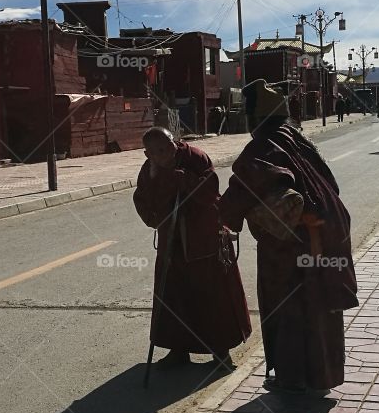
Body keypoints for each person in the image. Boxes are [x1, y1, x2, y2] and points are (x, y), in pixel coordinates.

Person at [220, 82, 358, 394]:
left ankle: (292, 379)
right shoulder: (298, 140)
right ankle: (323, 377)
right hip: (327, 232)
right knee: (320, 306)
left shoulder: (263, 145)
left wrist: (224, 213)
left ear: (256, 116)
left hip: (290, 245)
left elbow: (248, 184)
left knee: (289, 309)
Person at [134, 127, 251, 371]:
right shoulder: (150, 170)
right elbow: (142, 199)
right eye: (155, 152)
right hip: (172, 244)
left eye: (166, 147)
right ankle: (179, 351)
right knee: (175, 298)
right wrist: (154, 217)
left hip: (205, 242)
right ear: (147, 155)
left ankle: (221, 353)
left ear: (174, 142)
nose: (163, 154)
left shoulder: (195, 158)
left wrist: (182, 179)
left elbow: (211, 194)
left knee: (212, 298)